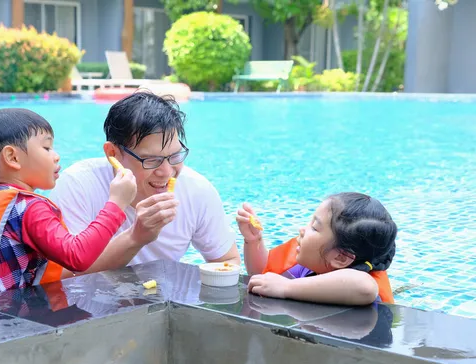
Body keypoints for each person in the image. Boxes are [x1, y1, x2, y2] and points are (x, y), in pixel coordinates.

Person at [0, 108, 137, 308]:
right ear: (13, 157)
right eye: (46, 147)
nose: (56, 155)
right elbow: (77, 257)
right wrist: (117, 203)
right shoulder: (30, 208)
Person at [49, 92, 240, 272]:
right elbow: (62, 279)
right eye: (151, 160)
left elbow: (227, 262)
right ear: (112, 154)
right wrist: (135, 237)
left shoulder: (196, 190)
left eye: (174, 156)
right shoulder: (79, 185)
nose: (166, 172)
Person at [238, 192, 397, 305]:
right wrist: (253, 240)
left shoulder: (359, 284)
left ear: (340, 258)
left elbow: (365, 287)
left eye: (314, 227)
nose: (302, 230)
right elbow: (261, 278)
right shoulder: (309, 265)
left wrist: (286, 288)